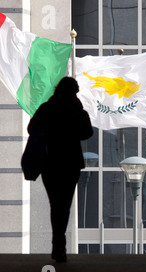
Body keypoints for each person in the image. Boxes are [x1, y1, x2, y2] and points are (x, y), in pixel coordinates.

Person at [28, 77, 93, 262]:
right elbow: (87, 133)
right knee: (64, 205)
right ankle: (59, 244)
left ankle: (58, 244)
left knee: (55, 203)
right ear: (73, 91)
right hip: (70, 163)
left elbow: (32, 128)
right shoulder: (76, 110)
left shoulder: (47, 108)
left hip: (49, 162)